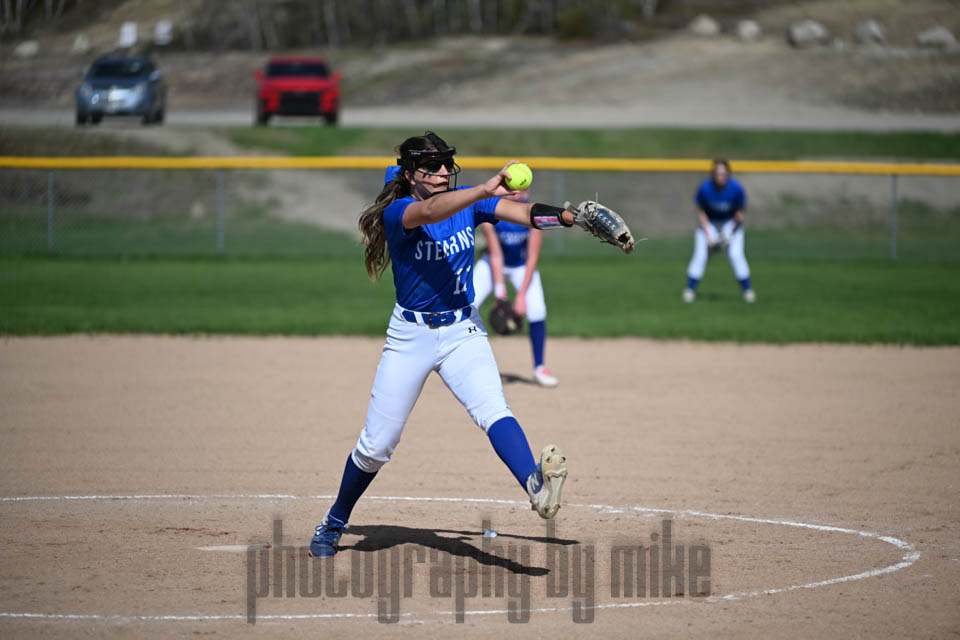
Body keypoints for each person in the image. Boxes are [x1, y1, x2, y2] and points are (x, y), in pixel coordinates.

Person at [309, 132, 585, 557]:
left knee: (494, 409)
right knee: (377, 445)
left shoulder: (469, 201)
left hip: (462, 330)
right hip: (411, 337)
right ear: (409, 173)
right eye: (431, 166)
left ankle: (535, 486)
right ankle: (334, 520)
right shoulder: (401, 211)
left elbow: (524, 214)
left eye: (445, 165)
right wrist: (484, 189)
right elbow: (431, 211)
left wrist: (569, 218)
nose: (442, 172)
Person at [473, 189, 558, 388]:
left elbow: (532, 257)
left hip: (521, 266)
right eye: (511, 188)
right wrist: (500, 294)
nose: (517, 193)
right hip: (492, 263)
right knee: (468, 304)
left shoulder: (533, 213)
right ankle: (460, 363)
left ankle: (539, 368)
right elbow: (495, 254)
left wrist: (521, 296)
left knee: (537, 310)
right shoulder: (490, 210)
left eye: (522, 188)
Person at [682, 159, 756, 303]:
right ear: (713, 174)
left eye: (723, 173)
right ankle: (690, 290)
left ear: (728, 174)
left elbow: (740, 213)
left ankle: (747, 291)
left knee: (736, 255)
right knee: (700, 255)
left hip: (730, 223)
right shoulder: (705, 188)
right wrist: (709, 235)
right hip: (709, 223)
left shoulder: (736, 188)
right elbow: (701, 211)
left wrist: (729, 232)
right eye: (717, 173)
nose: (720, 176)